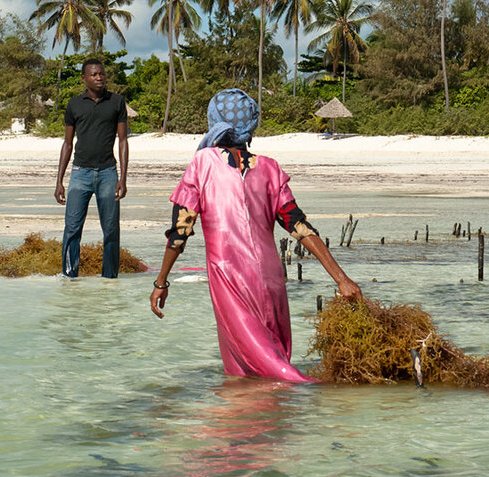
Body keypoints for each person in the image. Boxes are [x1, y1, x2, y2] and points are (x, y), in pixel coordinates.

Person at [149, 88, 361, 381]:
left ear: (214, 121)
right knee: (268, 364)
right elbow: (299, 227)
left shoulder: (203, 163)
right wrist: (342, 279)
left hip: (230, 278)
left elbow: (180, 232)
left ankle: (314, 393)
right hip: (272, 280)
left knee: (270, 372)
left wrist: (161, 281)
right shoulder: (270, 168)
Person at [54, 59, 129, 278]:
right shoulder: (74, 105)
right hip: (79, 174)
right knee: (72, 229)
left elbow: (123, 141)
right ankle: (69, 277)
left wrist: (123, 178)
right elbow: (67, 143)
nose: (99, 77)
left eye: (102, 74)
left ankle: (110, 279)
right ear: (84, 78)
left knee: (111, 230)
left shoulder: (116, 102)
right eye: (94, 74)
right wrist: (59, 180)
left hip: (108, 173)